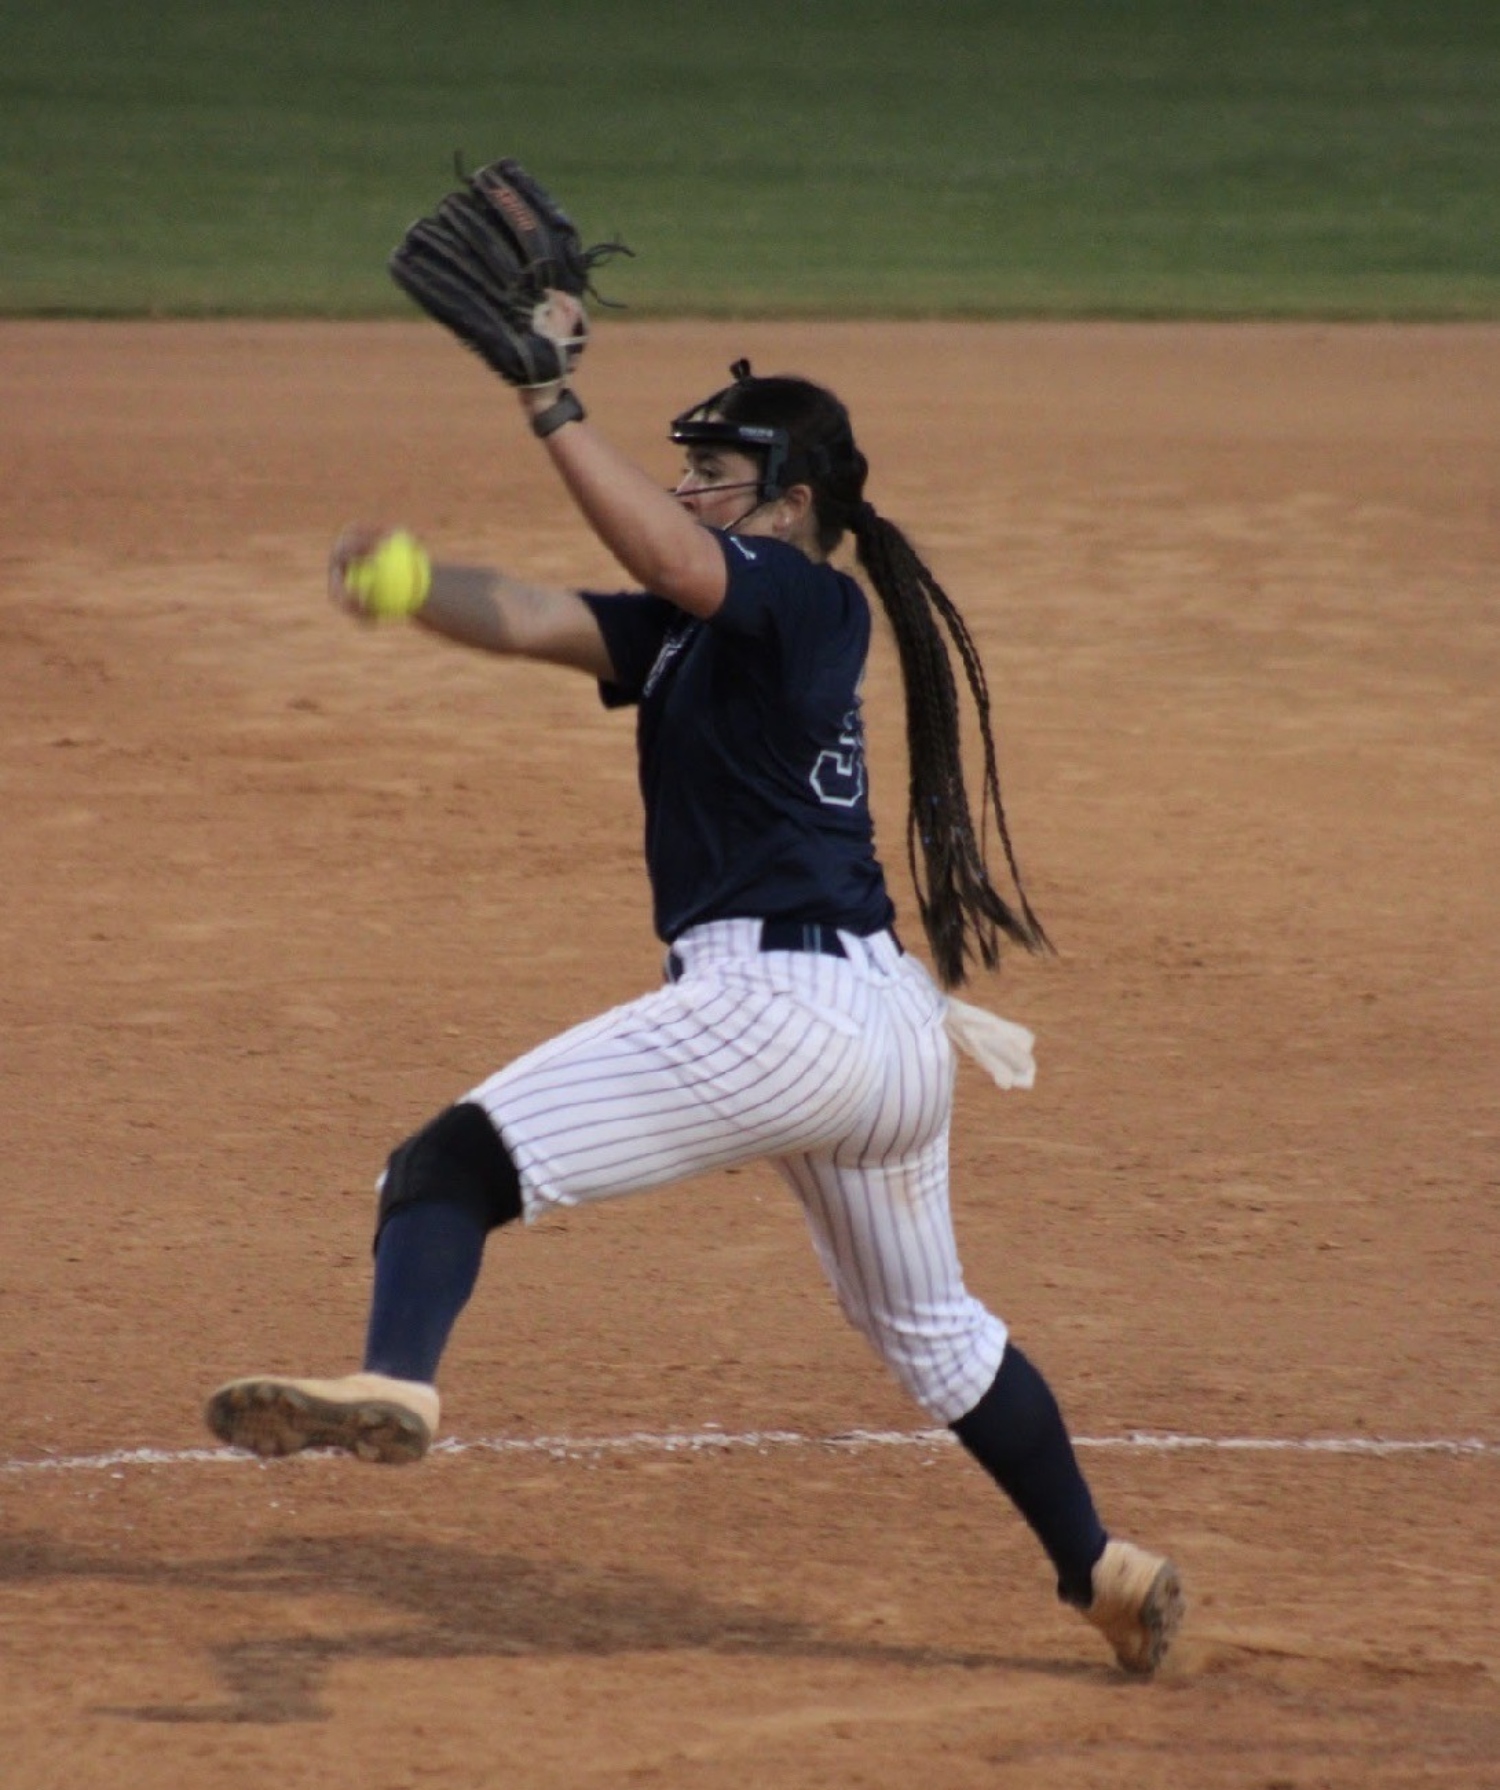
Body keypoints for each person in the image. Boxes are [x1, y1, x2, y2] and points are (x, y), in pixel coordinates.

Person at [206, 330, 1184, 1674]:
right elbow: (542, 614)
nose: (685, 493)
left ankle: (397, 1377)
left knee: (445, 1163)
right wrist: (415, 582)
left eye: (713, 471)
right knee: (937, 1331)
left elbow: (669, 562)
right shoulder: (690, 632)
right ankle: (1105, 1570)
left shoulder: (798, 594)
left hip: (779, 1012)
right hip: (889, 1039)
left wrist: (550, 403)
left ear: (790, 499)